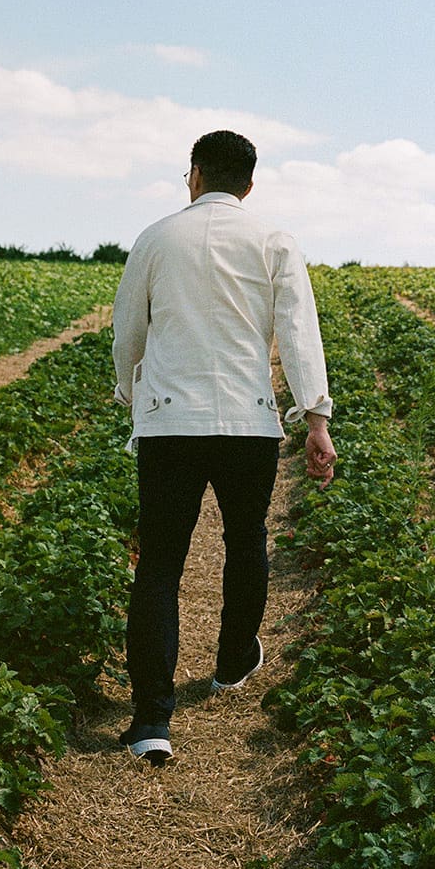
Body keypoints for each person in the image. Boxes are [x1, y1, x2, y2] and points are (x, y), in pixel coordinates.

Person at [111, 129, 336, 762]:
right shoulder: (273, 241)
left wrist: (132, 396)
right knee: (246, 539)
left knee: (159, 564)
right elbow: (298, 332)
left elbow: (128, 331)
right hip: (247, 421)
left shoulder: (156, 238)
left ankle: (153, 721)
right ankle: (234, 662)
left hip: (169, 422)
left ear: (194, 174)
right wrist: (316, 418)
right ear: (249, 184)